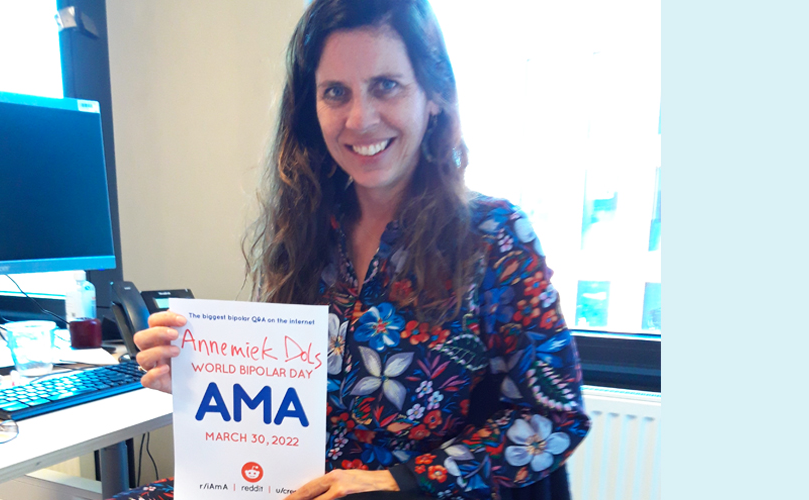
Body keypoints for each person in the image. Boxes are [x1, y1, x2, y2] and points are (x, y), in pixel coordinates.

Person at [116, 0, 590, 498]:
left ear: (433, 95)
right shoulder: (307, 230)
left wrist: (397, 481)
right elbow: (288, 399)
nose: (360, 119)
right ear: (311, 107)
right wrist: (204, 382)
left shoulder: (494, 236)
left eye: (386, 85)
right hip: (298, 485)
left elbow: (555, 417)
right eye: (335, 92)